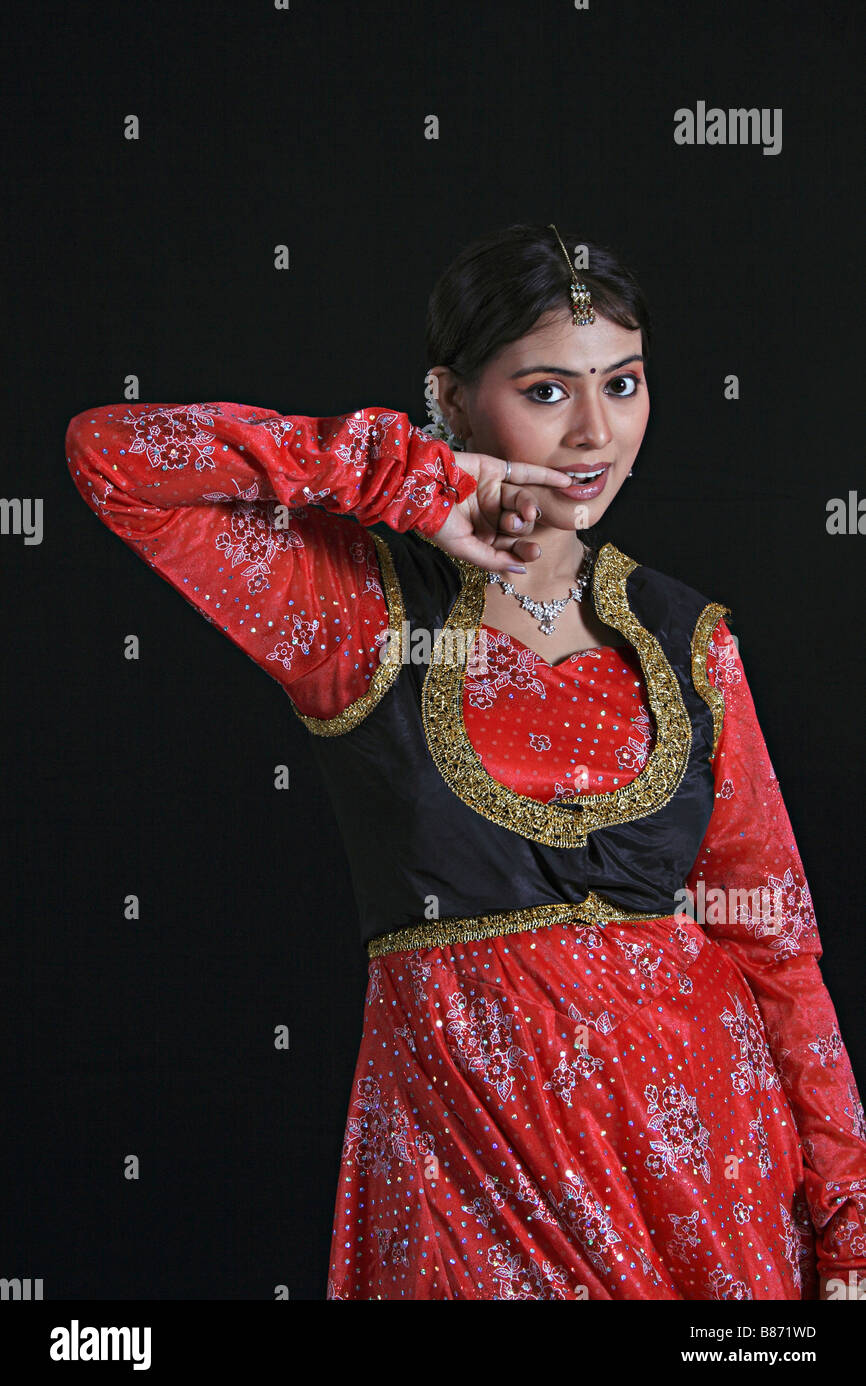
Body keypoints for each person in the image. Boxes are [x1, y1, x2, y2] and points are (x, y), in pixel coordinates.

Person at [65, 222, 866, 1301]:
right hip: (471, 1176)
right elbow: (114, 458)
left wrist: (847, 1228)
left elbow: (775, 948)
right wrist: (402, 477)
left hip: (710, 1184)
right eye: (545, 391)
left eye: (621, 384)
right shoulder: (351, 608)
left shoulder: (687, 638)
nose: (594, 433)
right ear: (449, 395)